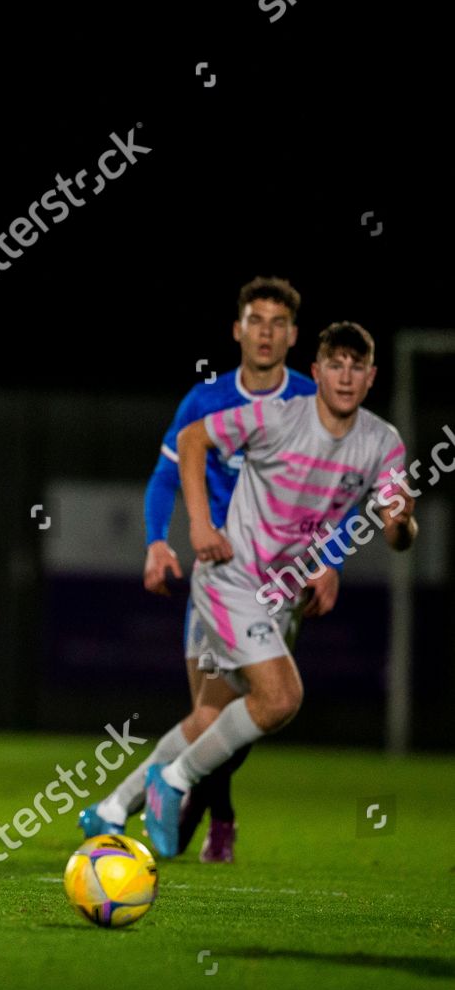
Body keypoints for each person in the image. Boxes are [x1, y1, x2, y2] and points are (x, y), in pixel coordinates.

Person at [115, 321, 415, 857]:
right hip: (230, 578)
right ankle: (178, 788)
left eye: (357, 367)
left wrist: (398, 525)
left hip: (278, 598)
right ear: (317, 372)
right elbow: (190, 440)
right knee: (279, 697)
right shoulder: (275, 415)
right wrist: (194, 529)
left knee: (217, 715)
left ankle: (115, 807)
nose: (346, 377)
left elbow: (397, 533)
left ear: (371, 378)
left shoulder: (382, 442)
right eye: (336, 365)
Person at [81, 276, 348, 862]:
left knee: (229, 713)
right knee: (222, 710)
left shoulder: (312, 402)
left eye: (279, 324)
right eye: (257, 320)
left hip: (281, 580)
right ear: (238, 329)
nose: (266, 333)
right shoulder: (205, 401)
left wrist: (329, 561)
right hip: (222, 572)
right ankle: (162, 805)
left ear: (293, 336)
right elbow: (164, 475)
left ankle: (140, 805)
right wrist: (156, 542)